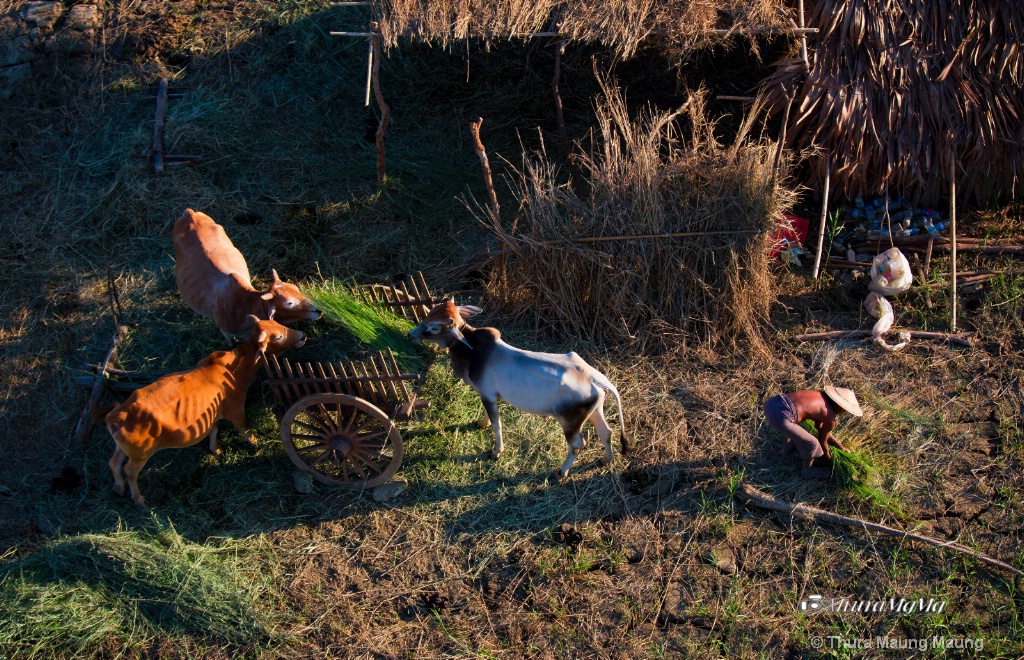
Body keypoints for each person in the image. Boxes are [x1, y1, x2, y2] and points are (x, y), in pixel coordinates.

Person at [763, 386, 863, 479]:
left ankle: (786, 448)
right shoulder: (830, 418)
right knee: (812, 444)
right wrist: (829, 461)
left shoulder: (819, 395)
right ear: (841, 407)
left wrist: (838, 445)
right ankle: (807, 470)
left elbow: (818, 427)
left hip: (772, 403)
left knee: (791, 424)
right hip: (781, 417)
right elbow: (822, 441)